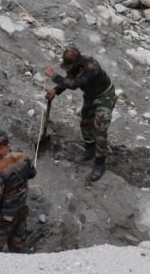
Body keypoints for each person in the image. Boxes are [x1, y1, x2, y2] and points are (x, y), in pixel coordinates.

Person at [44, 46, 117, 181]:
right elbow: (69, 78)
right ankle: (90, 150)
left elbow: (73, 84)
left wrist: (54, 76)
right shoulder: (74, 66)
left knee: (100, 130)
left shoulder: (91, 67)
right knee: (85, 124)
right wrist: (55, 90)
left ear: (78, 60)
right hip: (90, 96)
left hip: (105, 97)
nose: (68, 68)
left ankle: (100, 164)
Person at [0, 129, 36, 253]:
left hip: (6, 216)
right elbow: (32, 174)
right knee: (18, 245)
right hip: (21, 210)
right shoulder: (23, 156)